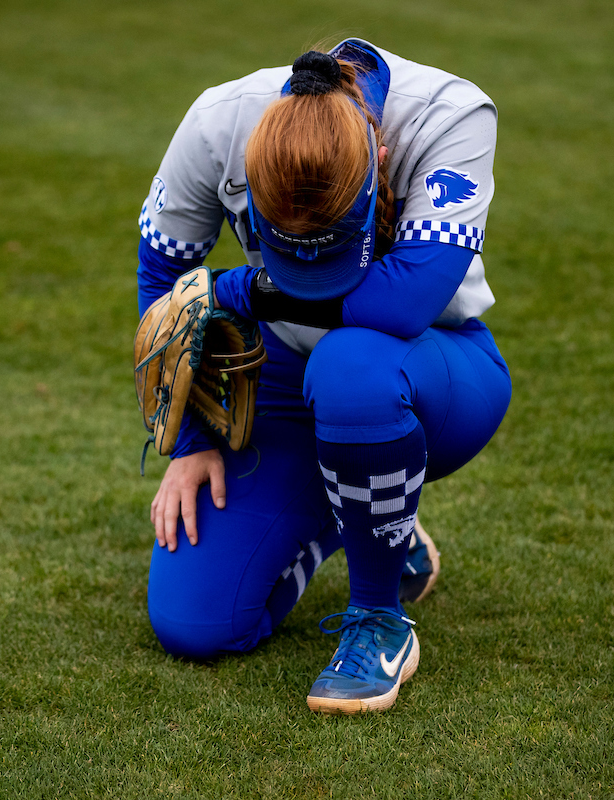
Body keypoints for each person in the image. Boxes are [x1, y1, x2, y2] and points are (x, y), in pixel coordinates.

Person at [136, 39, 511, 714]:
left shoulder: (451, 114)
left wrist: (243, 291)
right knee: (193, 624)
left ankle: (379, 620)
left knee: (350, 365)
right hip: (285, 379)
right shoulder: (219, 121)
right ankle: (368, 520)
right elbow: (163, 280)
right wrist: (192, 441)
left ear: (381, 162)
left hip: (426, 371)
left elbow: (406, 302)